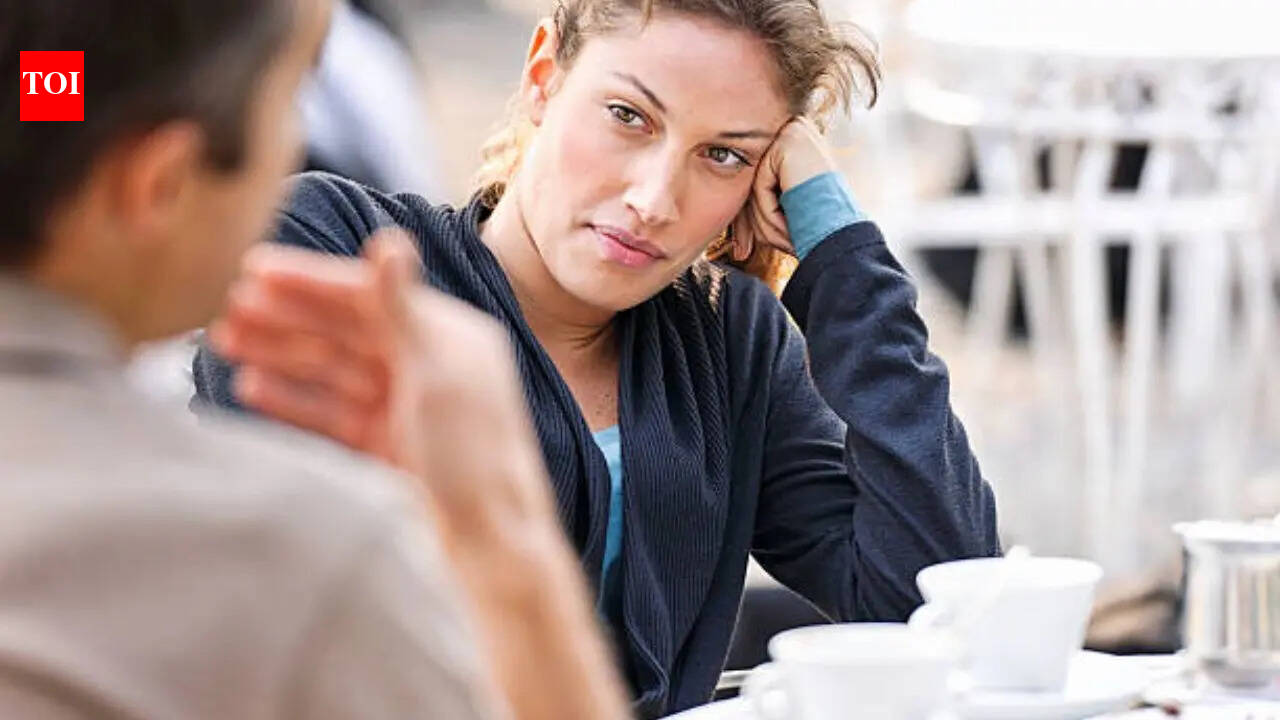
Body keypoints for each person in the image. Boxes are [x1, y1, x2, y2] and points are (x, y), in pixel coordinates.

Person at [195, 0, 1002, 715]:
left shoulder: (729, 339)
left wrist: (843, 265)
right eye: (628, 116)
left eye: (723, 155)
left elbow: (938, 604)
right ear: (544, 76)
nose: (653, 200)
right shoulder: (338, 248)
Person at [0, 1, 628, 718]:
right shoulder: (301, 550)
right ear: (162, 181)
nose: (298, 146)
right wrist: (500, 526)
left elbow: (49, 88)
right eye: (289, 103)